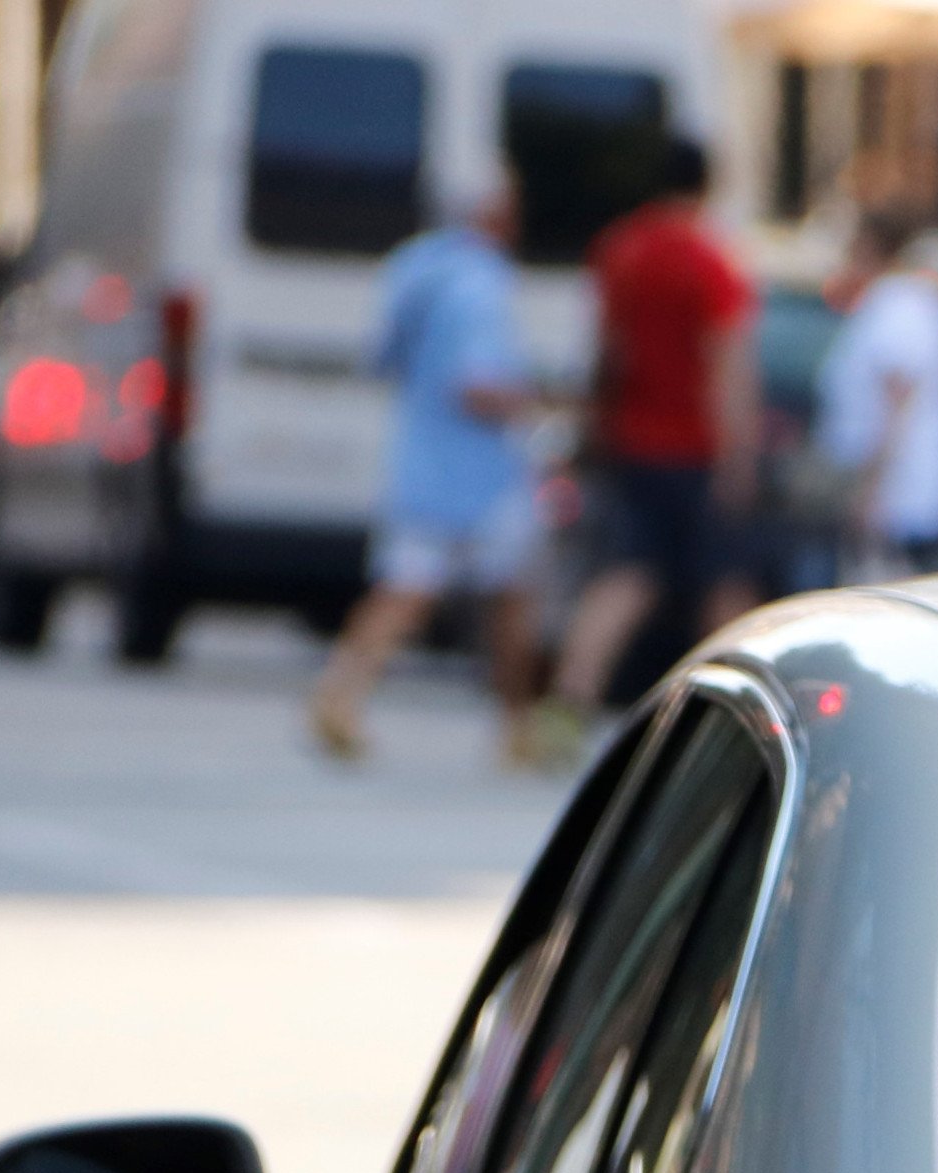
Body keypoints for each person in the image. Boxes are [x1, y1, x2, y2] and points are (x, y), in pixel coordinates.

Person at [309, 172, 542, 763]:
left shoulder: (415, 268)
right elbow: (478, 385)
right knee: (509, 598)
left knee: (401, 592)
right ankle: (519, 726)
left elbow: (383, 357)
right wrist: (535, 403)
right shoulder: (480, 284)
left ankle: (340, 693)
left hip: (420, 459)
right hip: (481, 471)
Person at [547, 136, 759, 740]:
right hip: (696, 448)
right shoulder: (711, 260)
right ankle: (740, 718)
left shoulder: (619, 250)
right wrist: (738, 456)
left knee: (627, 575)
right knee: (724, 586)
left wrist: (595, 426)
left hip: (632, 442)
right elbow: (729, 365)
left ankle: (568, 700)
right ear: (707, 186)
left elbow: (605, 351)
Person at [816, 201, 938, 575]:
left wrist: (871, 494)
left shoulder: (898, 305)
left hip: (899, 502)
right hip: (903, 495)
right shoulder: (911, 300)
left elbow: (896, 403)